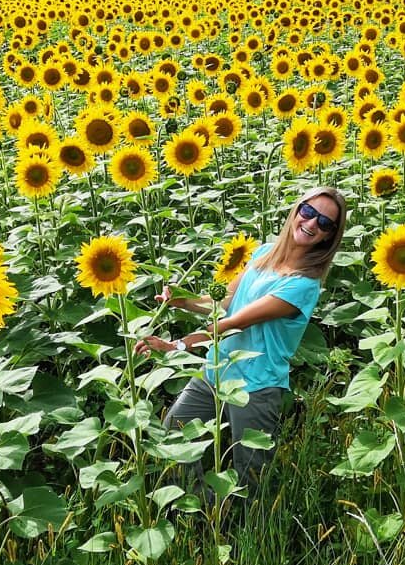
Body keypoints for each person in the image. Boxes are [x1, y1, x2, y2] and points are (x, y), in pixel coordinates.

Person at [135, 187, 347, 495]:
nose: (312, 224)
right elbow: (224, 302)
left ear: (329, 236)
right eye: (309, 212)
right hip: (216, 371)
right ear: (297, 210)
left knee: (251, 474)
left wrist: (177, 346)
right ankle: (205, 516)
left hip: (256, 385)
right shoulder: (264, 254)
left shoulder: (304, 284)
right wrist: (183, 301)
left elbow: (235, 321)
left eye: (325, 223)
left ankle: (250, 534)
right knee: (172, 438)